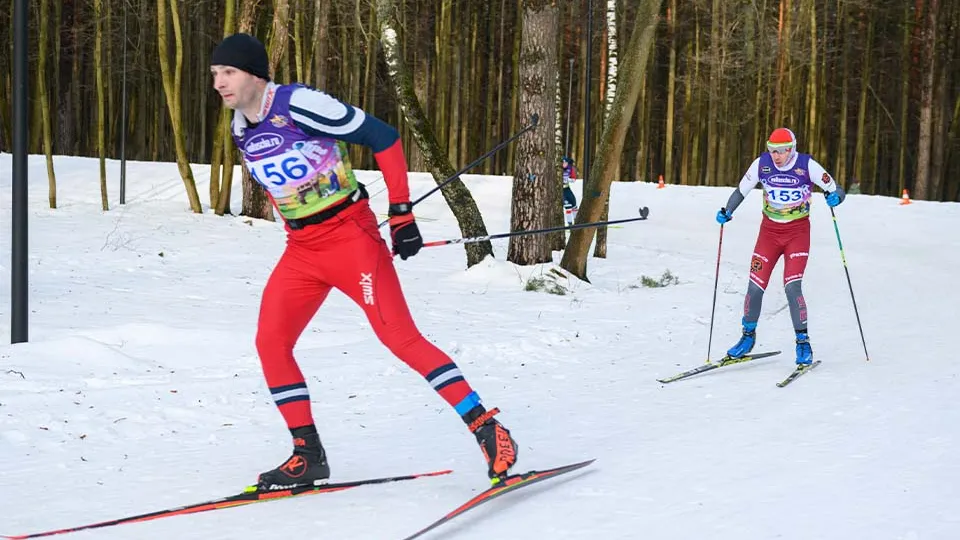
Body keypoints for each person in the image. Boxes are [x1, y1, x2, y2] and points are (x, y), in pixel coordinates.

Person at [209, 33, 518, 490]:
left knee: (401, 338)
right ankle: (307, 455)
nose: (219, 82)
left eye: (228, 72)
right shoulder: (241, 127)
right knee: (271, 342)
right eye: (215, 73)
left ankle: (487, 428)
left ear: (255, 75)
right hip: (302, 250)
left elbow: (383, 137)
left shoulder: (298, 104)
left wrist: (401, 214)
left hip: (351, 241)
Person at [715, 127, 846, 366]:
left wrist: (836, 196)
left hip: (797, 233)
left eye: (782, 151)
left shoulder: (807, 165)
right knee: (755, 287)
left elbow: (835, 188)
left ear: (792, 149)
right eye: (773, 150)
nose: (777, 156)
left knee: (792, 287)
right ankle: (747, 337)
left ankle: (803, 342)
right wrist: (728, 210)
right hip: (769, 234)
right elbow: (741, 190)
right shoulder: (761, 164)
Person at [561, 156, 579, 226]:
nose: (564, 164)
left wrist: (568, 179)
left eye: (566, 163)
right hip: (561, 191)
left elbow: (574, 179)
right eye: (563, 163)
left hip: (567, 189)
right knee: (568, 206)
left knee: (574, 204)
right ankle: (570, 224)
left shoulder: (570, 168)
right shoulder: (558, 169)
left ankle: (577, 222)